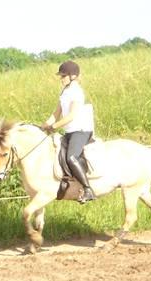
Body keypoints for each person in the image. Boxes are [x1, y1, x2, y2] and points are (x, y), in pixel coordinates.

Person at [41, 60, 95, 203]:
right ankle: (65, 181)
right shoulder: (64, 92)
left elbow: (71, 116)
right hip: (70, 132)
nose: (61, 79)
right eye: (61, 76)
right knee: (56, 153)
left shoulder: (77, 92)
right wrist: (45, 125)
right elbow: (56, 113)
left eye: (63, 76)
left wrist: (54, 127)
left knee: (71, 157)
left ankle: (88, 189)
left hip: (81, 131)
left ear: (73, 76)